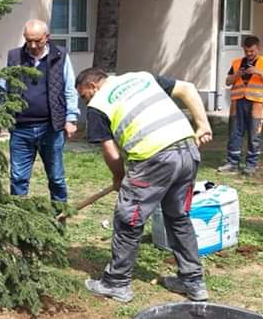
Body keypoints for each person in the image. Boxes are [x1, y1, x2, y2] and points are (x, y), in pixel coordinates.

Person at [76, 68, 213, 303]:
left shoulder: (97, 104)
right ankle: (193, 282)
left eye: (83, 96)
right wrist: (203, 125)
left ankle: (117, 283)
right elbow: (188, 89)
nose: (84, 101)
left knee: (128, 220)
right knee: (178, 217)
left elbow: (111, 151)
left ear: (92, 86)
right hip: (187, 151)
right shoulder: (141, 77)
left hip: (153, 159)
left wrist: (118, 178)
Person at [3, 19, 80, 204]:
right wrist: (1, 116)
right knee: (18, 178)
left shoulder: (60, 55)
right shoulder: (14, 57)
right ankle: (19, 221)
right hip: (20, 129)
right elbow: (4, 86)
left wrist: (71, 118)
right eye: (28, 40)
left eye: (37, 40)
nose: (33, 45)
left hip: (51, 128)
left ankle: (59, 218)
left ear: (47, 37)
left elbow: (69, 88)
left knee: (56, 178)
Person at [218, 35, 263, 176]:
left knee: (254, 134)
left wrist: (258, 72)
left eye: (252, 51)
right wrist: (237, 74)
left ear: (258, 48)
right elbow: (227, 81)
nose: (249, 54)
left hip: (256, 103)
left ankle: (251, 165)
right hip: (237, 102)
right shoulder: (237, 62)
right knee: (234, 133)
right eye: (246, 51)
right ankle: (232, 163)